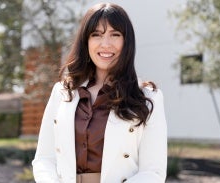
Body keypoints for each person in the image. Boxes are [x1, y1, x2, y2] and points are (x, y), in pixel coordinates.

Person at [32, 2, 167, 183]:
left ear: (127, 42)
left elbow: (153, 172)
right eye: (96, 35)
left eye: (115, 35)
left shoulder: (148, 98)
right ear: (86, 41)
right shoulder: (62, 93)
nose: (106, 44)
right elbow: (44, 159)